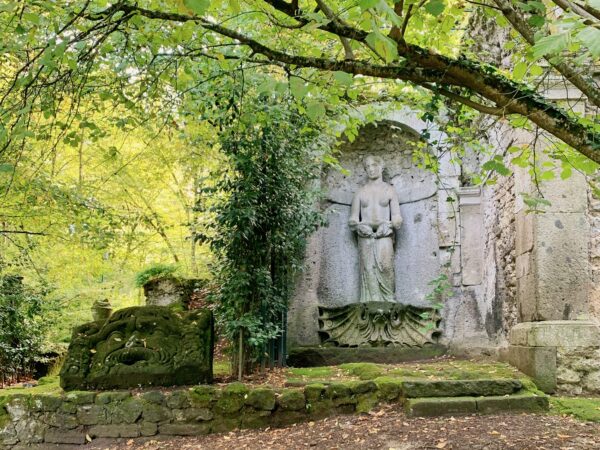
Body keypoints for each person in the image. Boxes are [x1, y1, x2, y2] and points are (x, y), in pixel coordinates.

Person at [348, 155, 403, 303]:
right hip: (365, 236)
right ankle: (370, 302)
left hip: (384, 234)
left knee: (385, 266)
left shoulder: (389, 190)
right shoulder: (360, 192)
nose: (371, 169)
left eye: (374, 165)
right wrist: (359, 226)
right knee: (368, 268)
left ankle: (388, 300)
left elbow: (397, 216)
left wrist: (392, 223)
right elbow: (353, 219)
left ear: (381, 167)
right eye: (367, 167)